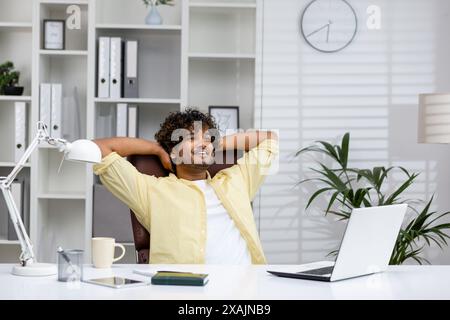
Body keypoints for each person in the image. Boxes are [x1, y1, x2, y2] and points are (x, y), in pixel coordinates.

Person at [93, 108, 278, 264]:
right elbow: (98, 149)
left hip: (245, 291)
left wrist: (216, 144)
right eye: (191, 138)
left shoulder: (237, 180)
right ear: (173, 154)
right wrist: (156, 149)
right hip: (185, 292)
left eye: (207, 138)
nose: (202, 144)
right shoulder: (151, 191)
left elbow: (270, 138)